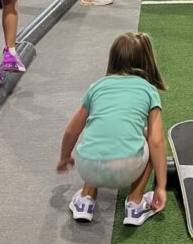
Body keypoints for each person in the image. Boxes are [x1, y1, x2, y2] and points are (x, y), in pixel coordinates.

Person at [57, 32, 167, 226]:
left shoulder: (97, 87)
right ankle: (135, 203)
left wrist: (65, 157)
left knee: (97, 134)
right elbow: (157, 141)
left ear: (113, 59)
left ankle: (85, 200)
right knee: (148, 136)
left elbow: (71, 130)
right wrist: (161, 187)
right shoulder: (149, 90)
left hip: (87, 167)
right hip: (126, 168)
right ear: (146, 61)